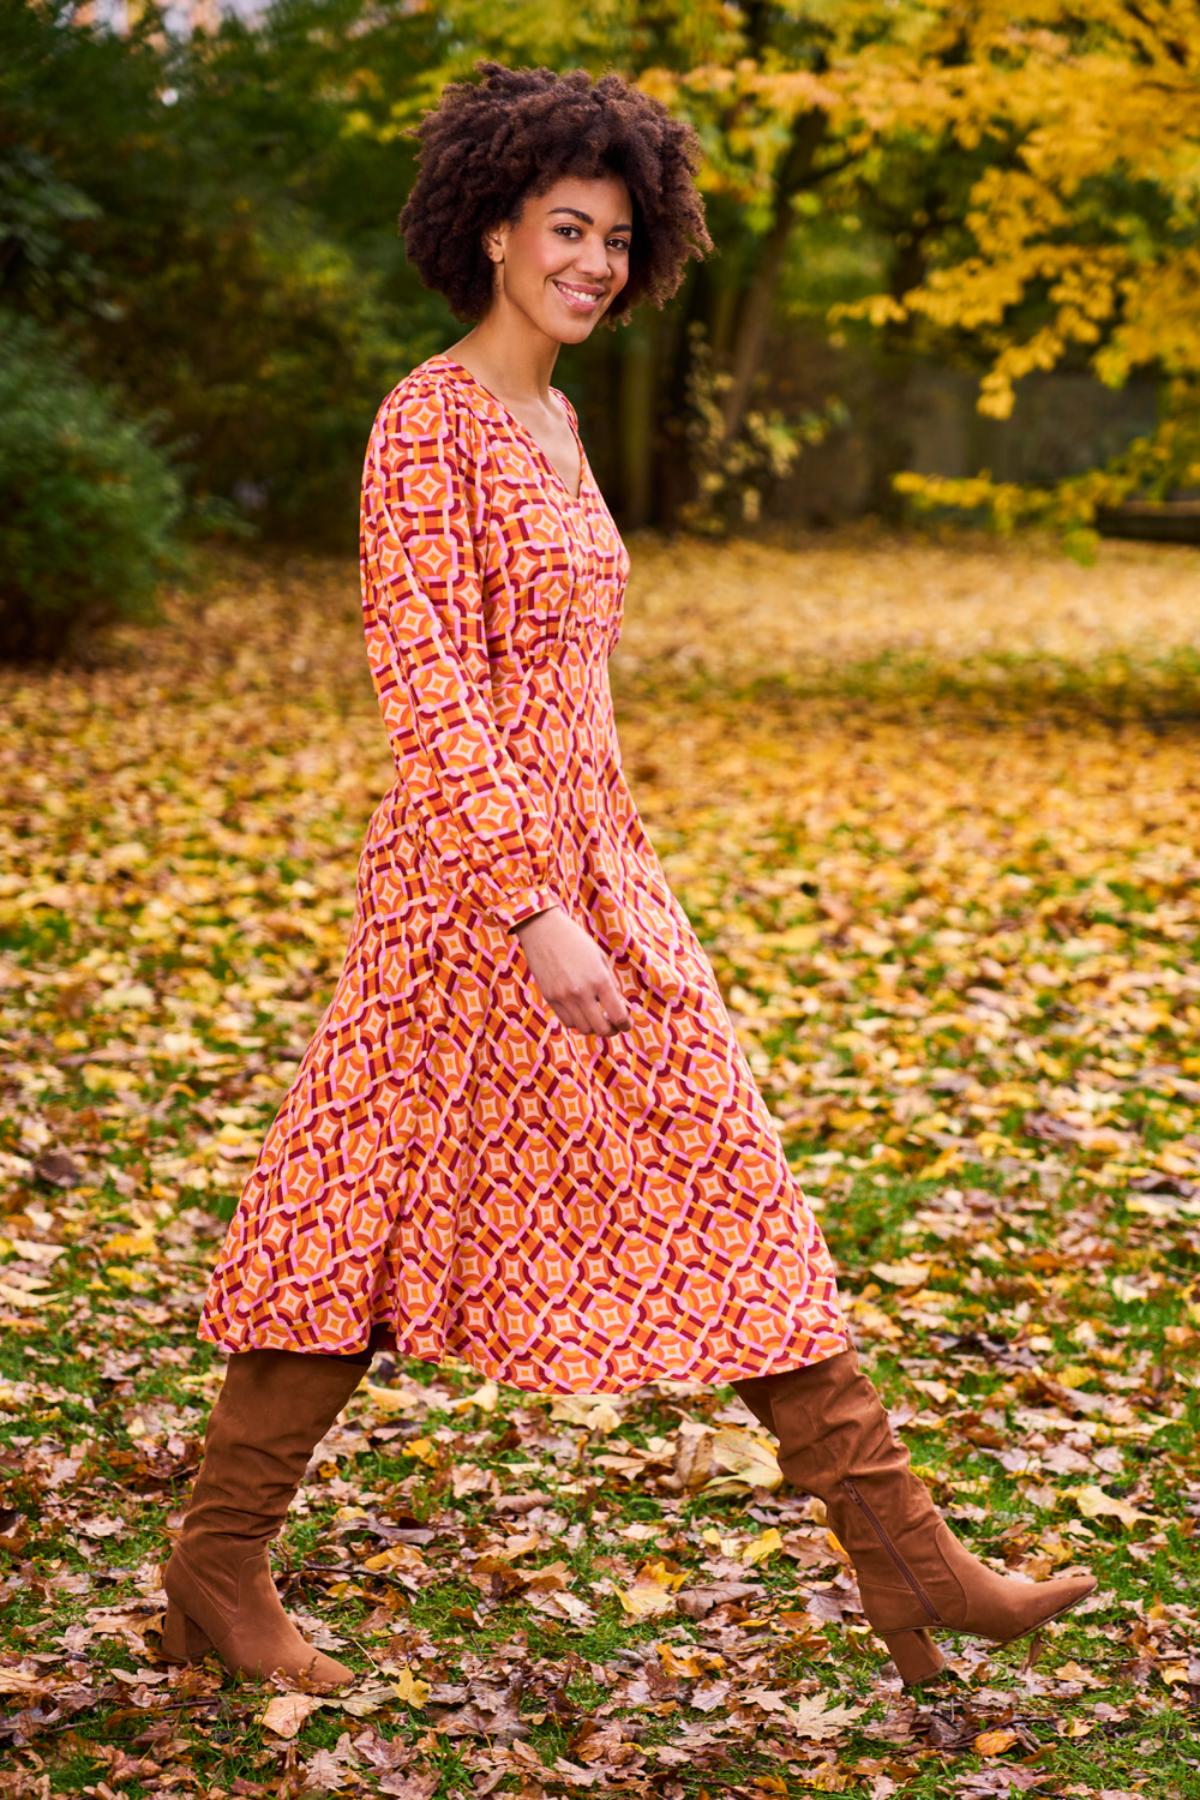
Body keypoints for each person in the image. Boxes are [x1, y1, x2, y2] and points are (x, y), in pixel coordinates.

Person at [159, 60, 1095, 1695]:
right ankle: (216, 1568)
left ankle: (909, 1559)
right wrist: (530, 906)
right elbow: (428, 688)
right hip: (470, 894)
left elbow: (568, 687)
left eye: (615, 237)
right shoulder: (429, 420)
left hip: (598, 864)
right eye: (565, 229)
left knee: (722, 1172)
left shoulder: (560, 419)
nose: (593, 262)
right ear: (494, 229)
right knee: (359, 1210)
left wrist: (593, 877)